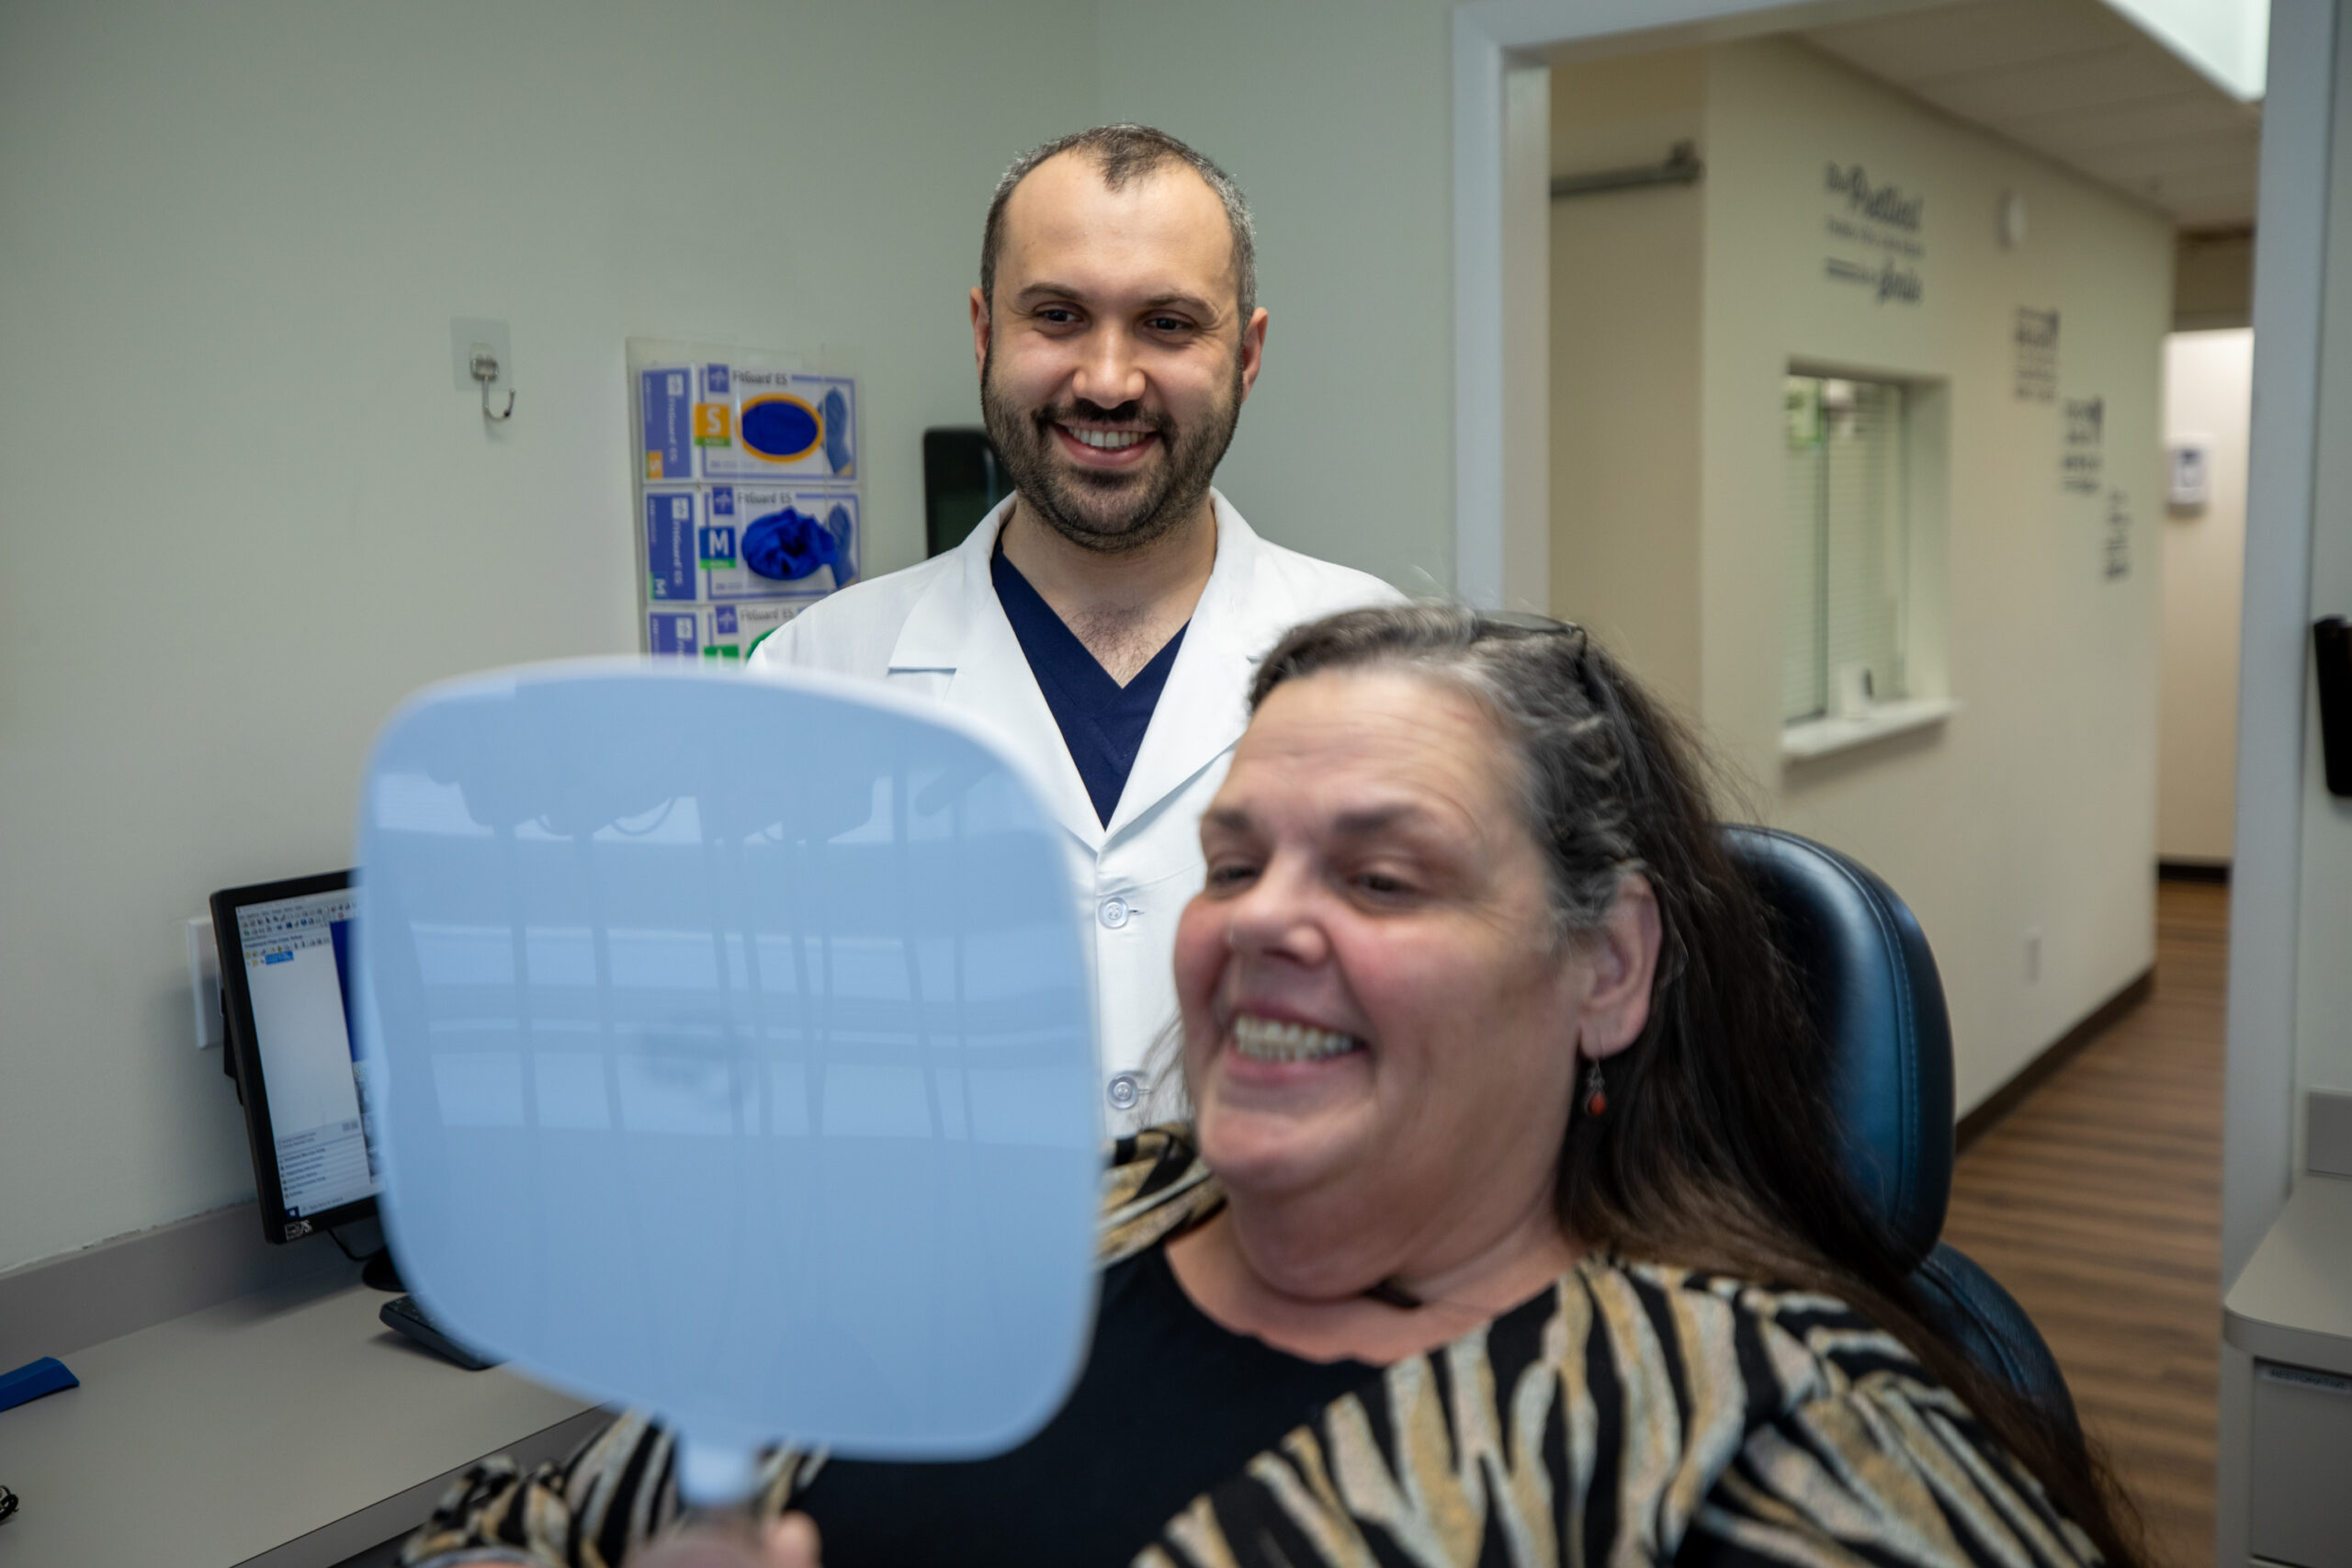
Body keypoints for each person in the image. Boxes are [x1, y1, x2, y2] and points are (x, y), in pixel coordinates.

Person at [409, 604, 2145, 1568]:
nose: (1262, 927)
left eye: (1382, 879)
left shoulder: (1770, 1435)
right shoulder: (978, 1236)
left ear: (1605, 967)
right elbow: (518, 1525)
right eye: (1234, 864)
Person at [745, 126, 1399, 1127]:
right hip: (929, 1272)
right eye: (1057, 314)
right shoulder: (814, 675)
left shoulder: (1391, 667)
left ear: (1249, 354)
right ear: (983, 333)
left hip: (1286, 1266)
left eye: (1168, 324)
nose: (1106, 378)